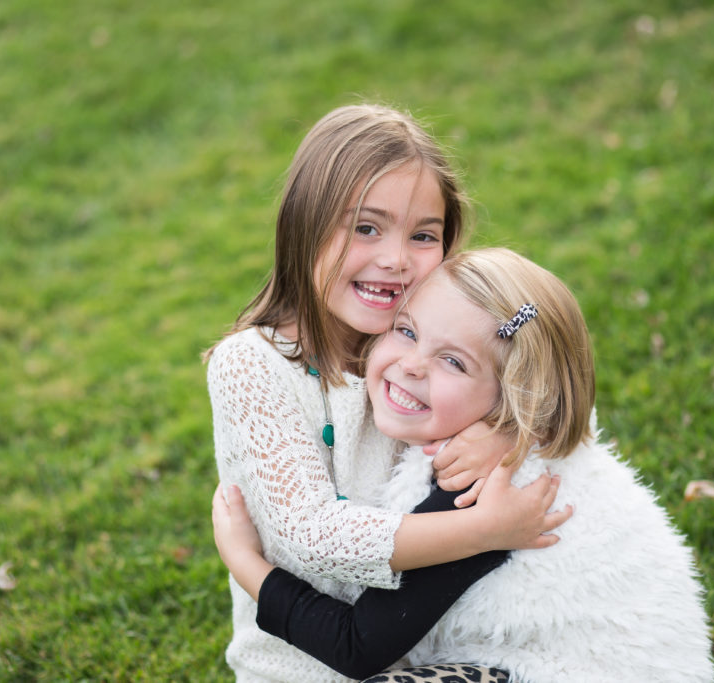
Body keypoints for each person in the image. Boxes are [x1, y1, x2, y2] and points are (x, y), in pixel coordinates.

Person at [213, 248, 714, 682]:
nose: (412, 364)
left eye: (454, 362)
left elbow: (356, 649)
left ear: (515, 396)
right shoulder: (497, 437)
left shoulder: (482, 493)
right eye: (406, 331)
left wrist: (248, 565)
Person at [206, 106, 572, 682]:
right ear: (304, 223)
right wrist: (483, 530)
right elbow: (313, 536)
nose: (397, 259)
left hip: (422, 652)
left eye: (423, 235)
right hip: (302, 669)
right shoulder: (251, 366)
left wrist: (501, 430)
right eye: (366, 227)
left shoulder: (415, 343)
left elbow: (553, 390)